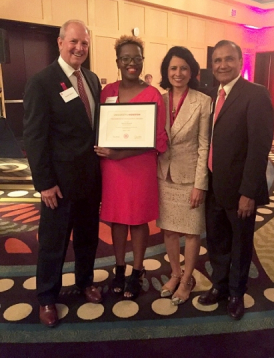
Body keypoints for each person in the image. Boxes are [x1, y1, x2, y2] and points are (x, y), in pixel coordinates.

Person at [23, 20, 102, 328]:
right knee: (54, 243)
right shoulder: (42, 81)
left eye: (84, 43)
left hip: (90, 180)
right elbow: (35, 137)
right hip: (58, 184)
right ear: (59, 43)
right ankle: (46, 297)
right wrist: (44, 184)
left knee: (87, 238)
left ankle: (85, 282)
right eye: (73, 42)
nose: (79, 48)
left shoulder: (92, 80)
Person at [198, 40, 274, 320]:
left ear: (240, 62)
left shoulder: (256, 95)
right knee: (216, 241)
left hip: (240, 189)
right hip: (214, 185)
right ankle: (219, 286)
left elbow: (259, 148)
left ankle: (235, 293)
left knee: (240, 244)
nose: (222, 65)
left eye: (228, 59)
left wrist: (248, 192)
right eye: (217, 60)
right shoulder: (211, 94)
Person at [94, 35, 167, 300]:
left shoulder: (152, 95)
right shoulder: (107, 92)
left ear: (142, 61)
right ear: (118, 61)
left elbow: (156, 139)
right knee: (116, 218)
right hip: (112, 168)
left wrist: (118, 152)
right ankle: (119, 268)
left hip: (139, 166)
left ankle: (137, 271)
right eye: (126, 58)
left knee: (137, 220)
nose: (131, 63)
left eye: (137, 58)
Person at [157, 46, 211, 305]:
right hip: (163, 175)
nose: (178, 73)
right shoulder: (158, 99)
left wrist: (200, 184)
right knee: (168, 230)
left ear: (192, 72)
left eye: (184, 68)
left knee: (191, 232)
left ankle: (188, 278)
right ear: (166, 72)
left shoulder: (203, 102)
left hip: (190, 177)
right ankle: (175, 273)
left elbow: (204, 146)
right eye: (173, 68)